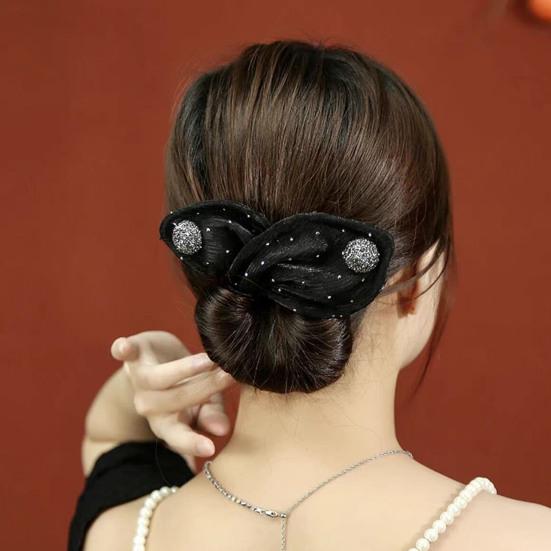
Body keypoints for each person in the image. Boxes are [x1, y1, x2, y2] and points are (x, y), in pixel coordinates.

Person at [69, 40, 551, 551]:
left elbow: (110, 441)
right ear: (415, 277)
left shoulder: (119, 532)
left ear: (208, 268)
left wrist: (138, 389)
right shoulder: (525, 539)